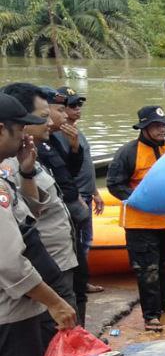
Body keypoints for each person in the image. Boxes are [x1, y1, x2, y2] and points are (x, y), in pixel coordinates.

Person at [0, 93, 76, 356]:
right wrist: (55, 302)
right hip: (9, 316)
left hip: (16, 310)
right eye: (20, 130)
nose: (25, 137)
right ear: (2, 130)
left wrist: (27, 173)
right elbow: (9, 262)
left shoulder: (7, 177)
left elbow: (25, 220)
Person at [107, 105, 165, 332]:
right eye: (156, 125)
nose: (162, 129)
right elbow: (114, 184)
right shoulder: (128, 153)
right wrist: (139, 199)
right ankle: (151, 315)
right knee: (147, 270)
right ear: (144, 127)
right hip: (139, 224)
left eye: (164, 125)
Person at [38, 87, 90, 327]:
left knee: (78, 283)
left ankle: (82, 334)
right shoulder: (34, 148)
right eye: (59, 111)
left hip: (68, 222)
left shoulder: (51, 142)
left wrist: (75, 147)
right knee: (65, 289)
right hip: (53, 232)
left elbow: (68, 172)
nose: (62, 117)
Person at [55, 86, 104, 293]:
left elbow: (86, 165)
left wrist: (95, 191)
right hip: (76, 196)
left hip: (86, 192)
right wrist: (77, 196)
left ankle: (81, 281)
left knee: (86, 240)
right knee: (79, 241)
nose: (77, 109)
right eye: (72, 105)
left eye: (79, 105)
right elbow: (66, 170)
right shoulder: (60, 135)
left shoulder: (76, 132)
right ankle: (79, 284)